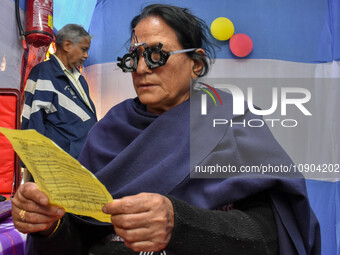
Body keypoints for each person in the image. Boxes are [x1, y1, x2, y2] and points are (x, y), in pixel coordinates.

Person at [12, 4, 320, 255]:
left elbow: (269, 238)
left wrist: (180, 225)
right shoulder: (110, 129)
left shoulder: (228, 119)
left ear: (196, 64)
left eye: (156, 55)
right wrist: (50, 224)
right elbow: (79, 236)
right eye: (134, 58)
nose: (142, 69)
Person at [21, 24, 97, 162]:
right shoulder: (43, 72)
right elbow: (32, 121)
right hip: (59, 165)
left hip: (83, 162)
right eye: (83, 49)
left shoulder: (80, 79)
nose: (86, 55)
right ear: (67, 45)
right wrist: (36, 167)